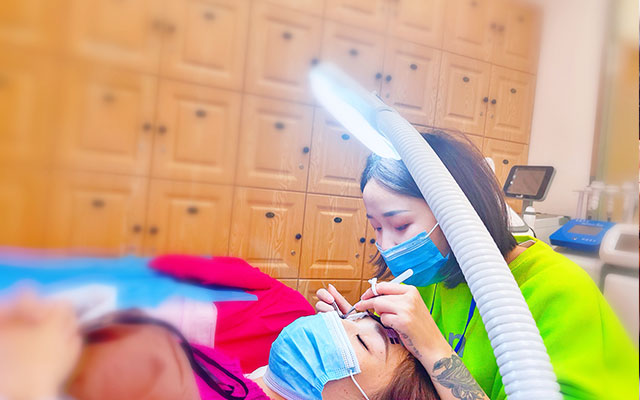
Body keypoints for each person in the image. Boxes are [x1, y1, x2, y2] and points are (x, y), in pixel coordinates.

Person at [316, 130, 638, 400]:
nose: (386, 245)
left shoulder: (557, 292)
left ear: (460, 212)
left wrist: (433, 348)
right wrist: (363, 329)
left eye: (400, 225)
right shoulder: (434, 275)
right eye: (376, 227)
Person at [0, 291, 440, 400]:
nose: (333, 324)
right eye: (349, 319)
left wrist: (32, 378)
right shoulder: (236, 377)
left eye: (362, 340)